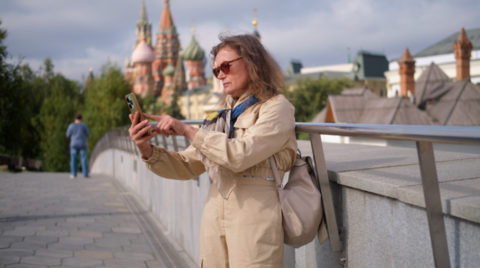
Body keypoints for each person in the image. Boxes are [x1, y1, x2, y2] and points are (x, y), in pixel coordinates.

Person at [129, 34, 297, 267]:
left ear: (251, 62)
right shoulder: (220, 114)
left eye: (225, 66)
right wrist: (146, 148)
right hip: (214, 216)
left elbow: (240, 155)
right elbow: (188, 165)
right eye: (216, 70)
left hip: (254, 217)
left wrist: (188, 131)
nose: (220, 75)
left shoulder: (276, 107)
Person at [66, 114, 90, 179]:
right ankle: (85, 174)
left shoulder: (71, 126)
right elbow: (88, 134)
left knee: (73, 159)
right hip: (82, 144)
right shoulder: (84, 126)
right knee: (84, 159)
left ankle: (73, 174)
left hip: (74, 144)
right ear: (81, 119)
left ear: (74, 119)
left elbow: (68, 135)